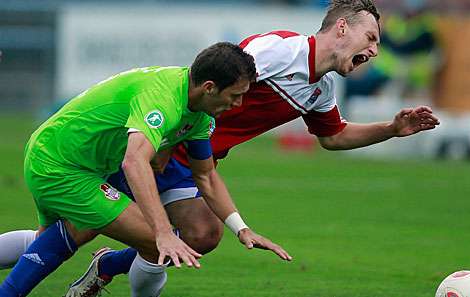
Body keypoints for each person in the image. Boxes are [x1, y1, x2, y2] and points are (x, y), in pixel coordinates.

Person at [1, 0, 439, 295]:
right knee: (86, 232)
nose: (375, 50)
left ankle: (108, 266)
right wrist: (163, 143)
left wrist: (391, 128)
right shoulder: (277, 50)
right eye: (371, 38)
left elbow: (333, 136)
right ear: (342, 27)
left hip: (192, 157)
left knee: (201, 235)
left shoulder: (320, 89)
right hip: (156, 146)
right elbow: (214, 75)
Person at [0, 42, 291, 297]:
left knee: (48, 242)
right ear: (210, 87)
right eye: (236, 95)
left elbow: (205, 175)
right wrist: (162, 230)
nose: (239, 103)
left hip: (71, 158)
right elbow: (134, 161)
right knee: (156, 244)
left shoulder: (200, 112)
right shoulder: (164, 100)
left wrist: (241, 229)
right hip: (60, 165)